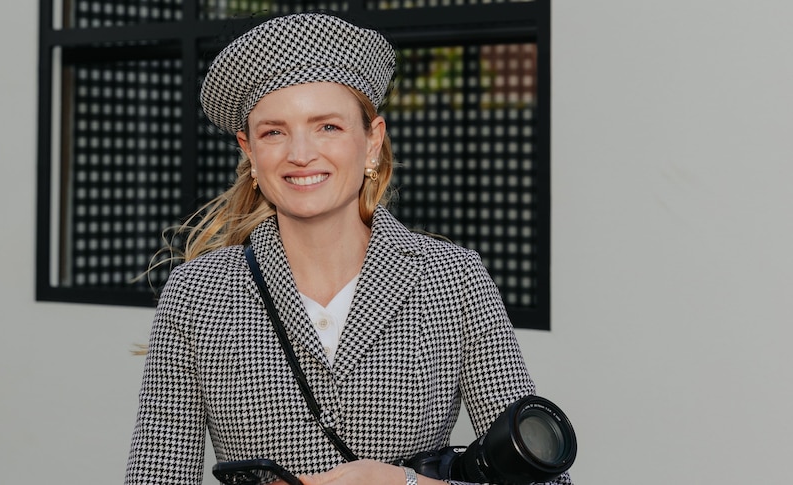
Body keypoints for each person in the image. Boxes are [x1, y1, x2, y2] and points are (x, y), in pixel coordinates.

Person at [125, 12, 573, 485]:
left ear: (372, 140)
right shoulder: (198, 292)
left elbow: (546, 480)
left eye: (328, 127)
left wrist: (405, 484)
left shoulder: (452, 278)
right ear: (249, 151)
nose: (300, 153)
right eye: (274, 131)